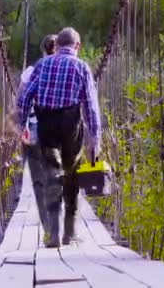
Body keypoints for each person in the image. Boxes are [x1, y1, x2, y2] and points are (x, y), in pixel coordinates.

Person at [17, 27, 101, 248]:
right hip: (70, 124)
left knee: (51, 175)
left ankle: (54, 233)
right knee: (71, 175)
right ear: (77, 46)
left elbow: (26, 97)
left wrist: (22, 125)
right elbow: (91, 107)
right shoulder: (82, 67)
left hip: (46, 124)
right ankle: (70, 233)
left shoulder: (42, 65)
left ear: (57, 45)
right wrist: (95, 139)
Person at [18, 34, 57, 240]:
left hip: (35, 129)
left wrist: (20, 126)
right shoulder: (70, 67)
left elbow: (22, 99)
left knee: (40, 183)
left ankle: (49, 230)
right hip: (62, 131)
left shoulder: (32, 71)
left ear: (43, 50)